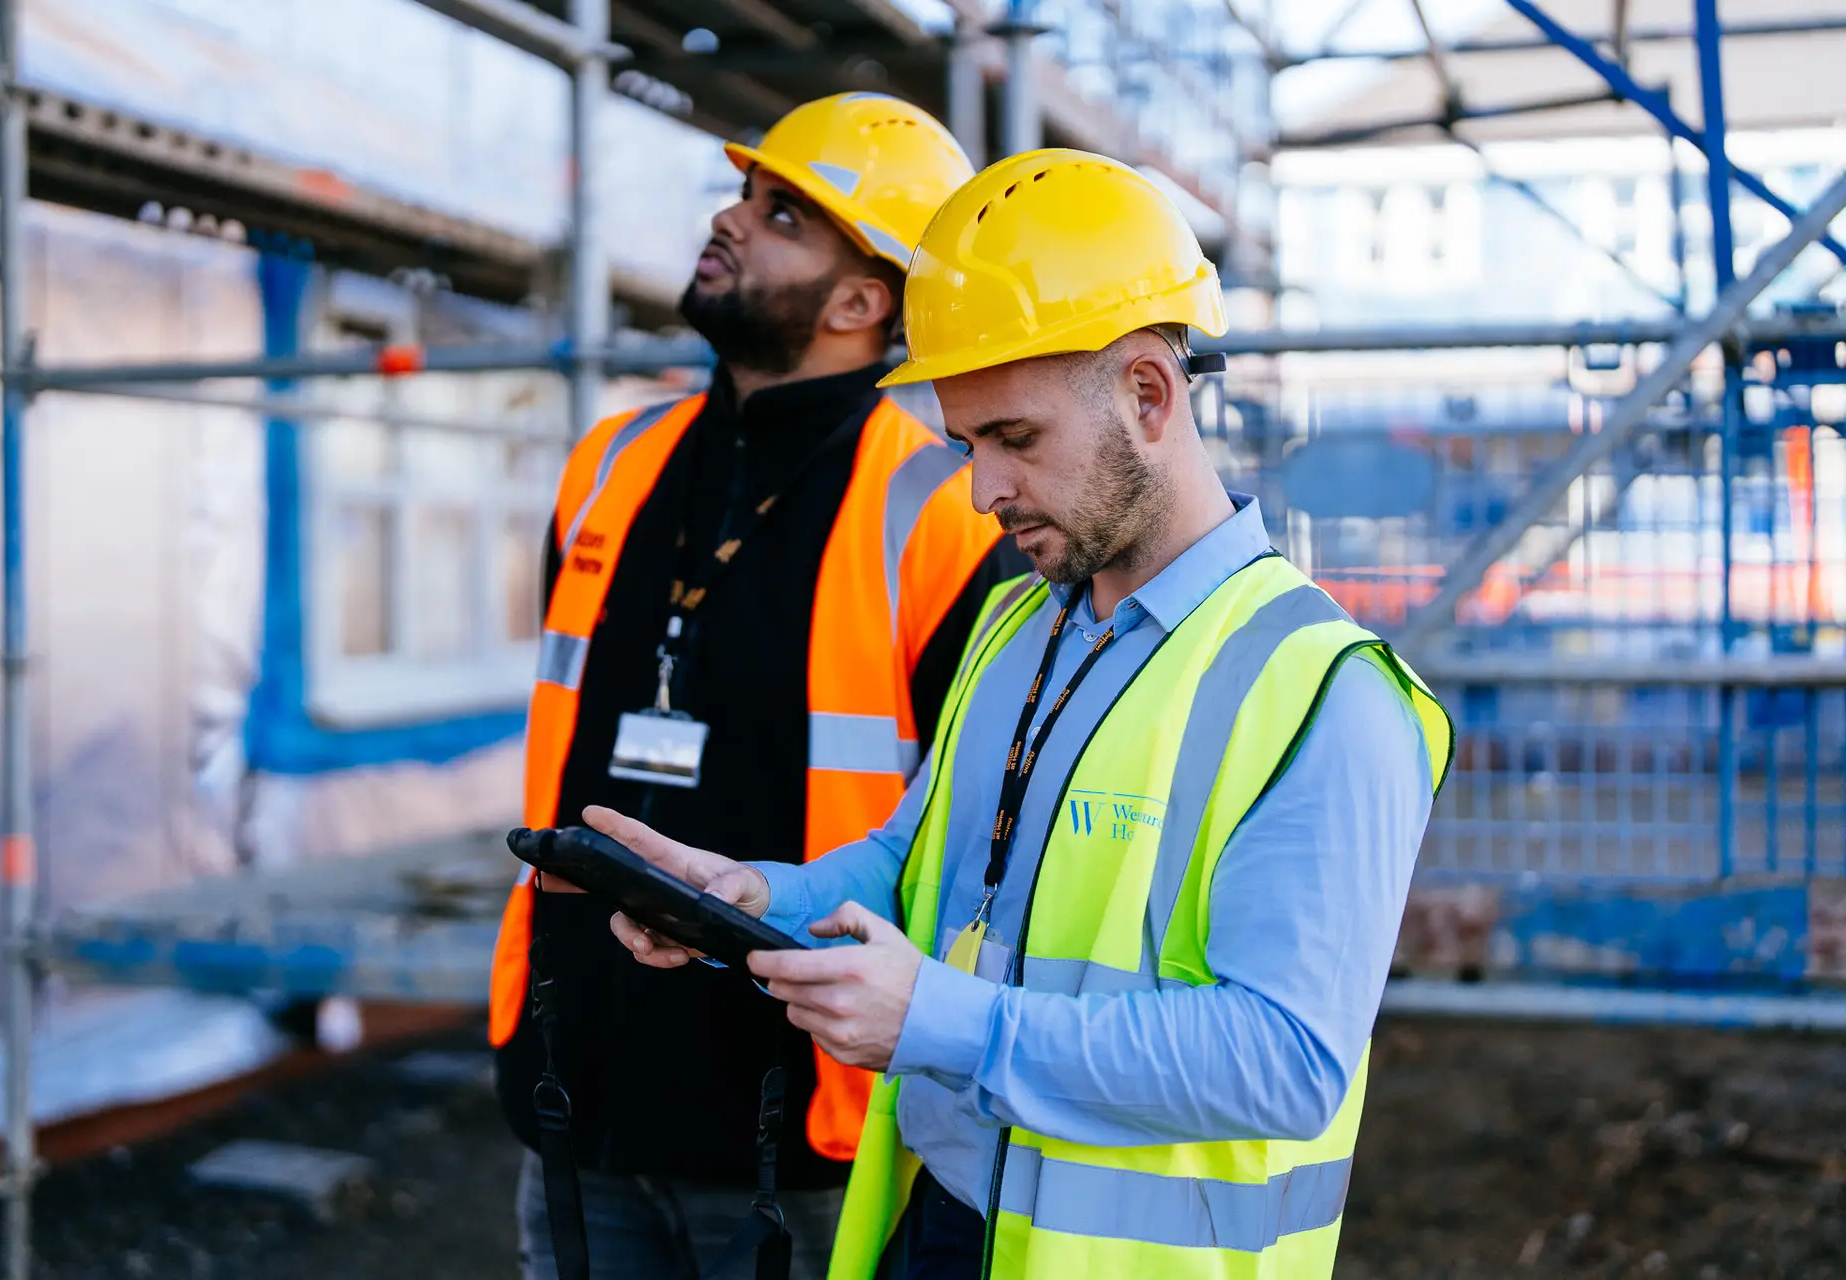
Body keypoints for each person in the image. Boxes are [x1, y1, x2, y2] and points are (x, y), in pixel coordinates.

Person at [587, 148, 1455, 1280]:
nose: (983, 489)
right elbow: (921, 856)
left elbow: (1283, 1060)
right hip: (941, 1223)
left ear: (1149, 394)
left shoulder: (1322, 692)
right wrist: (760, 897)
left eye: (1016, 439)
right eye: (967, 444)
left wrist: (945, 1021)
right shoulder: (1019, 628)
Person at [489, 93, 1027, 1280]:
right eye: (745, 194)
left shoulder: (947, 508)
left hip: (805, 1124)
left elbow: (984, 833)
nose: (732, 218)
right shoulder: (610, 465)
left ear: (860, 302)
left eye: (782, 213)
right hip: (577, 1078)